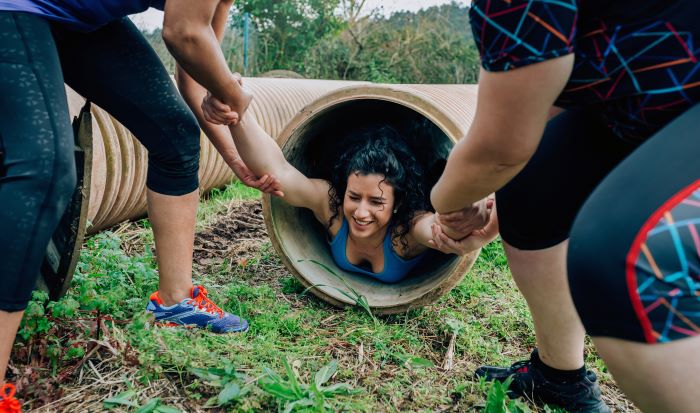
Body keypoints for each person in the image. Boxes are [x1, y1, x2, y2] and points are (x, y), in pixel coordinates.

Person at [0, 0, 280, 403]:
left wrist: (232, 157)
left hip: (77, 18)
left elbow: (194, 70)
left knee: (175, 134)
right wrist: (234, 91)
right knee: (44, 171)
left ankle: (177, 301)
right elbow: (183, 34)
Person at [430, 0, 700, 412]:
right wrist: (497, 191)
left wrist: (446, 203)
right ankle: (559, 378)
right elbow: (539, 106)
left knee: (622, 256)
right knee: (530, 182)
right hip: (651, 99)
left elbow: (498, 150)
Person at [201, 96, 498, 282]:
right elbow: (277, 171)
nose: (361, 211)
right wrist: (238, 115)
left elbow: (441, 228)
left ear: (396, 204)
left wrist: (474, 206)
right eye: (354, 196)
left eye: (377, 201)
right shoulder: (330, 206)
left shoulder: (407, 230)